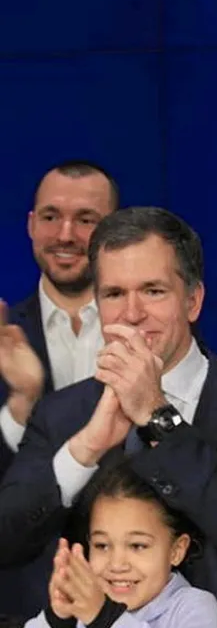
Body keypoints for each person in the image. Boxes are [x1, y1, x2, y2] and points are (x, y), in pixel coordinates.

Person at [0, 207, 217, 628]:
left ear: (193, 301)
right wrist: (84, 450)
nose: (131, 313)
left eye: (153, 291)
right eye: (113, 294)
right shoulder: (64, 414)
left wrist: (157, 414)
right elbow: (7, 542)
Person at [1, 161, 119, 471]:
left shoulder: (150, 329)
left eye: (85, 220)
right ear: (31, 225)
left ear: (114, 231)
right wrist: (22, 404)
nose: (65, 235)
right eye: (50, 217)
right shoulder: (6, 337)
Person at [24, 461, 217, 628]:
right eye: (102, 546)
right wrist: (58, 618)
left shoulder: (194, 607)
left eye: (137, 546)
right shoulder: (84, 605)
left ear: (176, 550)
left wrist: (103, 618)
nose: (117, 564)